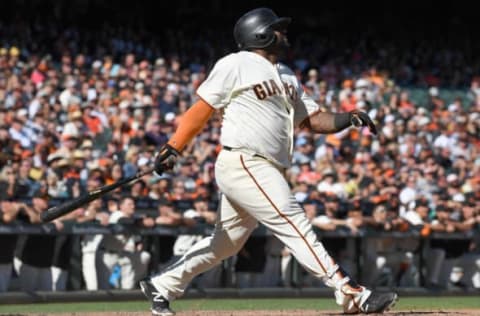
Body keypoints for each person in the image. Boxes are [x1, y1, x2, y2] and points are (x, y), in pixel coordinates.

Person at [140, 7, 397, 315]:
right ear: (259, 33)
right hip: (244, 160)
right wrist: (174, 146)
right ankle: (349, 291)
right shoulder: (236, 63)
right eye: (277, 29)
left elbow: (312, 120)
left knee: (226, 243)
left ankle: (163, 284)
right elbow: (203, 108)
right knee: (292, 218)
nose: (283, 33)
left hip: (264, 165)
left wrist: (348, 118)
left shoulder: (287, 74)